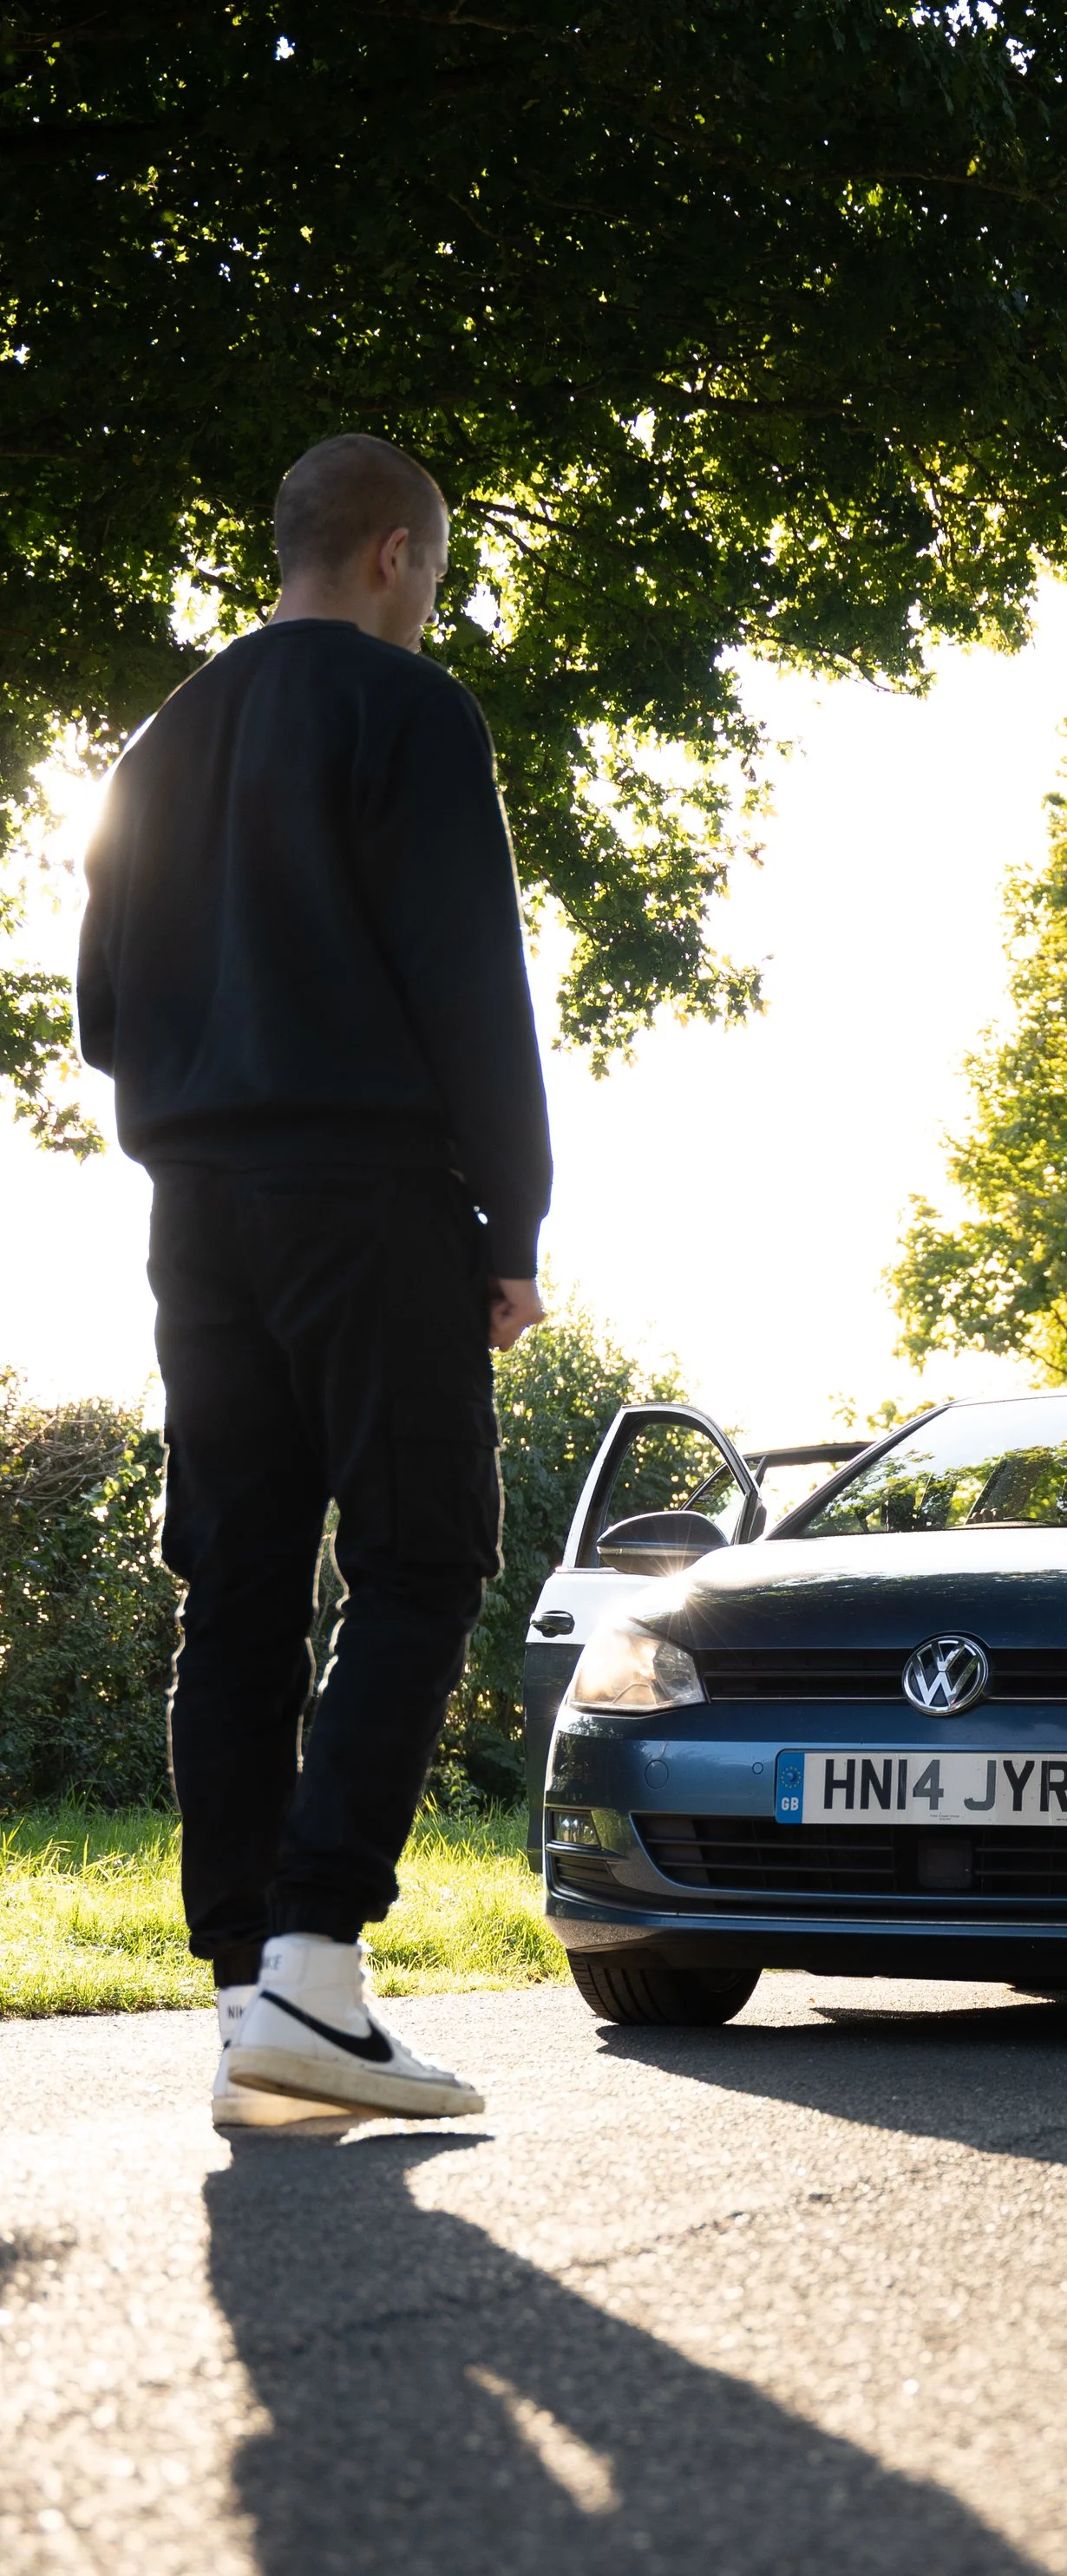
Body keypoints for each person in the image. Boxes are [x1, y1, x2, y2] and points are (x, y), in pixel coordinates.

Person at [75, 433, 553, 2128]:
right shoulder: (407, 714)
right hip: (366, 1200)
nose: (430, 598)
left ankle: (242, 2015)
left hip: (196, 1211)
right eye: (433, 569)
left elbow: (100, 1019)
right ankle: (316, 1968)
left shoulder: (156, 744)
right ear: (391, 557)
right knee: (425, 1557)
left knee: (242, 1583)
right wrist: (512, 1224)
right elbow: (465, 980)